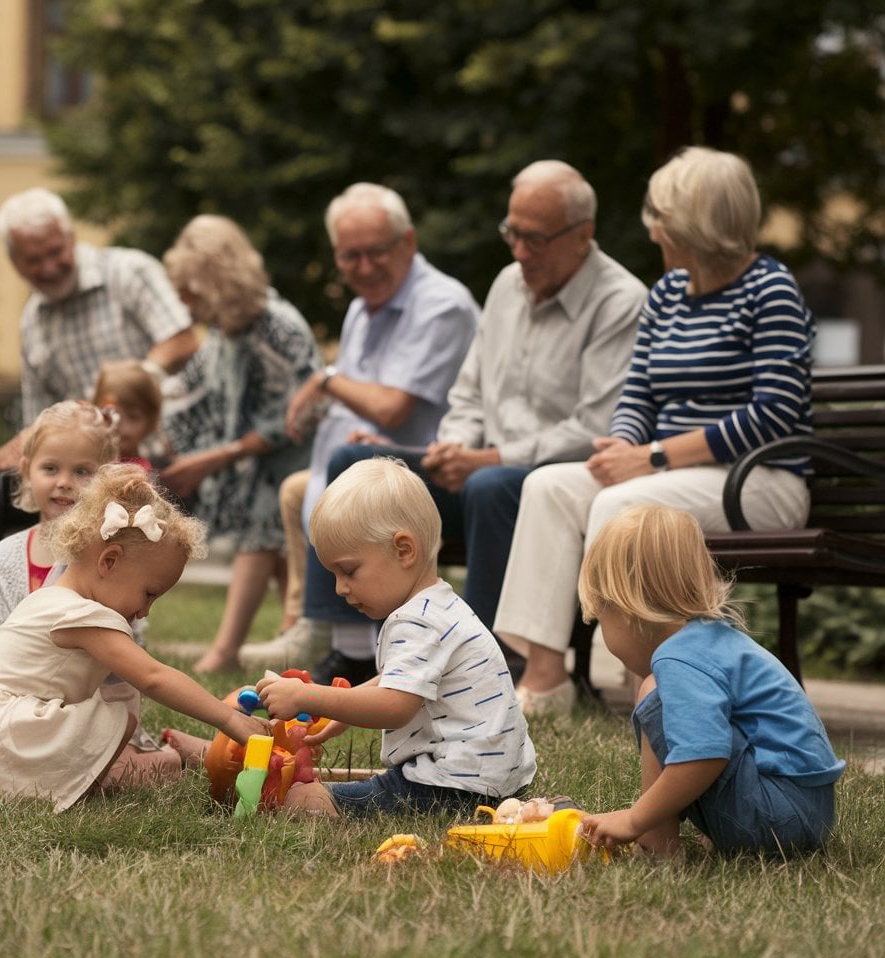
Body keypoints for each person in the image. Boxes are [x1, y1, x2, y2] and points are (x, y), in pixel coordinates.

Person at [268, 161, 646, 683]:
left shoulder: (619, 301)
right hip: (477, 465)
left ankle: (485, 658)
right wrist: (453, 447)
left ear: (582, 235)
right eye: (513, 233)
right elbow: (467, 392)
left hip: (544, 478)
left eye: (535, 239)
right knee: (354, 462)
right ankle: (353, 648)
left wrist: (487, 458)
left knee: (493, 484)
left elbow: (595, 426)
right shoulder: (508, 285)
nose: (519, 252)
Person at [493, 146, 817, 721]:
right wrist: (623, 445)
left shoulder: (770, 290)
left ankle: (648, 675)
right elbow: (638, 390)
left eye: (662, 217)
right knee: (549, 486)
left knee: (624, 501)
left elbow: (775, 411)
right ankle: (544, 679)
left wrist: (654, 457)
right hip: (671, 471)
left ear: (698, 224)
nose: (653, 229)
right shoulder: (668, 293)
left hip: (759, 478)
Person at [0, 464, 270, 813]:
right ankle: (104, 776)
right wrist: (228, 719)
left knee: (116, 696)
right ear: (109, 561)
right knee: (121, 707)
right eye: (148, 593)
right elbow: (153, 677)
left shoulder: (53, 598)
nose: (146, 611)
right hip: (5, 735)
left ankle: (110, 772)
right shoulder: (81, 615)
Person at [239, 181, 480, 679]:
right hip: (389, 464)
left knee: (349, 467)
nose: (365, 268)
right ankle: (309, 623)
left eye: (377, 252)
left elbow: (389, 408)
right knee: (297, 488)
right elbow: (362, 413)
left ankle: (348, 649)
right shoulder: (359, 310)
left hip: (442, 473)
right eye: (351, 257)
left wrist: (326, 381)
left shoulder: (442, 303)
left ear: (408, 243)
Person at [0, 187, 196, 629]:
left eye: (54, 252)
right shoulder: (34, 321)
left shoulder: (128, 271)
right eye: (32, 260)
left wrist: (124, 392)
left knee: (101, 478)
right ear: (14, 263)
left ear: (70, 235)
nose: (46, 266)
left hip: (150, 446)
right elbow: (38, 424)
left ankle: (109, 612)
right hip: (71, 457)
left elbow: (182, 339)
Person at [255, 457, 536, 816]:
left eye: (349, 570)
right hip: (493, 777)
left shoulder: (414, 621)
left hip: (451, 786)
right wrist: (344, 713)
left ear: (404, 550)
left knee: (300, 800)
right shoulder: (441, 604)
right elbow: (400, 680)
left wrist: (307, 695)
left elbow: (395, 706)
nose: (340, 588)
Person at [576, 504, 844, 856]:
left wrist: (633, 820)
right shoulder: (710, 640)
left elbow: (705, 756)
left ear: (628, 610)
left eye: (602, 615)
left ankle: (657, 843)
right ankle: (683, 833)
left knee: (653, 694)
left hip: (777, 817)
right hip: (807, 814)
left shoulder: (678, 658)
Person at [158, 215, 323, 673]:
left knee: (261, 531)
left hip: (293, 460)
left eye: (190, 288)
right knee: (271, 548)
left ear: (216, 279)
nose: (183, 299)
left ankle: (226, 650)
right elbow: (193, 390)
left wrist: (215, 457)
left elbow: (300, 413)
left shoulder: (279, 327)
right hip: (256, 466)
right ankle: (293, 635)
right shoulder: (224, 331)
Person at [0, 400, 120, 641]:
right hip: (17, 674)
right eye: (50, 468)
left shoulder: (111, 555)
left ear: (106, 478)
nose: (64, 482)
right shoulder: (5, 556)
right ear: (26, 472)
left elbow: (127, 639)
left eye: (81, 472)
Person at [92, 359, 169, 471]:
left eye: (133, 417)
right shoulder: (86, 461)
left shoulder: (153, 466)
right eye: (112, 414)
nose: (122, 428)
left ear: (151, 420)